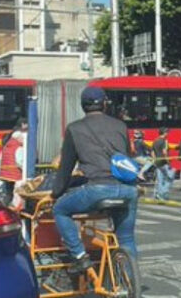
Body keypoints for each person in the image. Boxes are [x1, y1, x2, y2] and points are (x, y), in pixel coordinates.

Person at [51, 87, 137, 273]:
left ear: (83, 106)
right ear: (105, 104)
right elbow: (126, 161)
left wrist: (56, 193)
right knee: (127, 238)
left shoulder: (74, 129)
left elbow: (65, 168)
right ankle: (128, 283)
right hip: (128, 189)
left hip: (97, 190)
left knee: (59, 210)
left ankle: (80, 257)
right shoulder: (121, 125)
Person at [151, 130, 173, 200]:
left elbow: (152, 152)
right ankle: (163, 193)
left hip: (157, 162)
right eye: (167, 132)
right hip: (164, 162)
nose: (168, 134)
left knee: (160, 179)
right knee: (170, 177)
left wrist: (154, 160)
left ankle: (159, 195)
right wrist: (168, 161)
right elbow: (164, 152)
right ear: (164, 133)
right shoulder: (163, 141)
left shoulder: (155, 141)